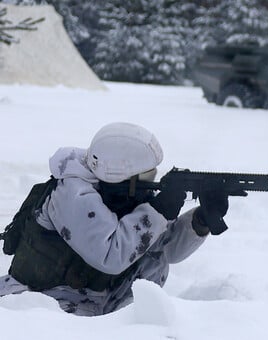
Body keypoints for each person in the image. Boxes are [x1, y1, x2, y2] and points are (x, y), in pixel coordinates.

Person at [0, 122, 228, 316]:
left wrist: (199, 222)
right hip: (40, 302)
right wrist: (159, 211)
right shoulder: (72, 195)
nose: (152, 183)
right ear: (121, 174)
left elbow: (164, 250)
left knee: (154, 261)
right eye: (146, 177)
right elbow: (111, 255)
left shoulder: (116, 190)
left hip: (89, 298)